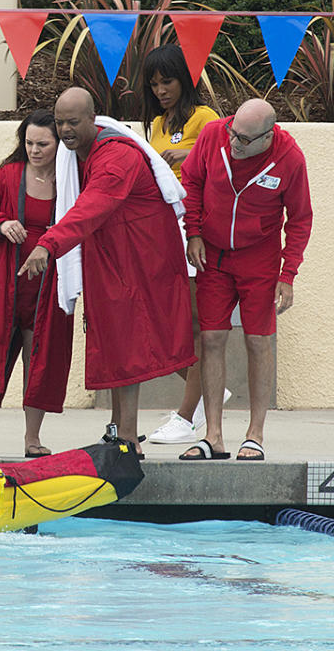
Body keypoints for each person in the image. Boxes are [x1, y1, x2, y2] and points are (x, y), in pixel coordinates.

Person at [19, 87, 196, 452]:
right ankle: (120, 431)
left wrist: (47, 244)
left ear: (92, 119)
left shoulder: (115, 156)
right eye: (60, 122)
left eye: (73, 122)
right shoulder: (79, 152)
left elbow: (92, 207)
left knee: (135, 349)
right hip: (112, 259)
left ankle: (140, 434)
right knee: (117, 346)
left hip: (142, 262)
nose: (65, 130)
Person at [180, 99, 312, 461]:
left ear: (268, 136)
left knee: (258, 342)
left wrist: (288, 274)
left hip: (259, 259)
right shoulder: (212, 136)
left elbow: (300, 219)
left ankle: (255, 434)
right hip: (214, 255)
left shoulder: (290, 159)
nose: (235, 144)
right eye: (233, 133)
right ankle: (213, 435)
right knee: (210, 339)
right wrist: (193, 232)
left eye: (244, 140)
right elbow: (190, 180)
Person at [0, 109, 74, 458]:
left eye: (43, 144)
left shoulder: (69, 178)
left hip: (47, 288)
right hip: (2, 283)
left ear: (59, 145)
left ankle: (32, 439)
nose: (34, 150)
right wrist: (1, 224)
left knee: (40, 364)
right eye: (29, 142)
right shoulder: (9, 175)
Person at [140, 44, 232, 444]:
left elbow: (226, 155)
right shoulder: (158, 123)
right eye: (154, 84)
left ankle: (185, 414)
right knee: (162, 328)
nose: (161, 90)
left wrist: (186, 151)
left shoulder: (205, 117)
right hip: (163, 230)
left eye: (168, 81)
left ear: (185, 79)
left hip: (193, 229)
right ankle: (210, 388)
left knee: (195, 325)